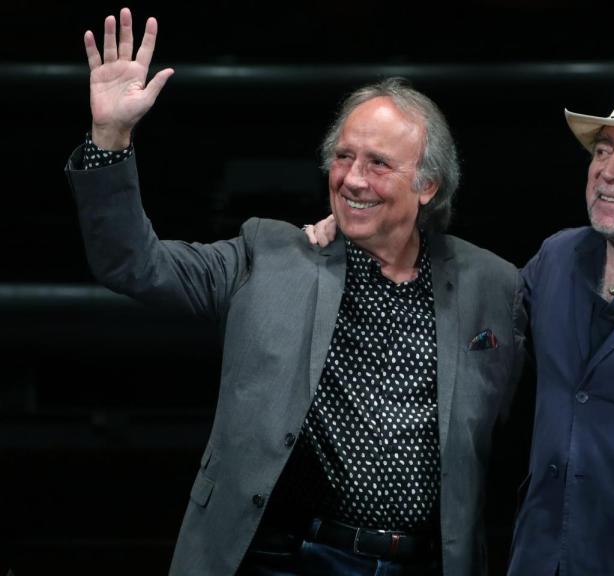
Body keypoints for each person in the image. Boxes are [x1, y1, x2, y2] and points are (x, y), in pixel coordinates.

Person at [66, 9, 525, 576]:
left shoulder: (495, 286)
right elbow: (133, 264)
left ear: (427, 184)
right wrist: (111, 135)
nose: (353, 179)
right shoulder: (271, 254)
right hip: (282, 557)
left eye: (379, 164)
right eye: (343, 156)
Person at [307, 74, 614, 575]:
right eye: (602, 151)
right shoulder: (560, 257)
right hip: (540, 557)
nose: (607, 171)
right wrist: (358, 229)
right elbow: (472, 320)